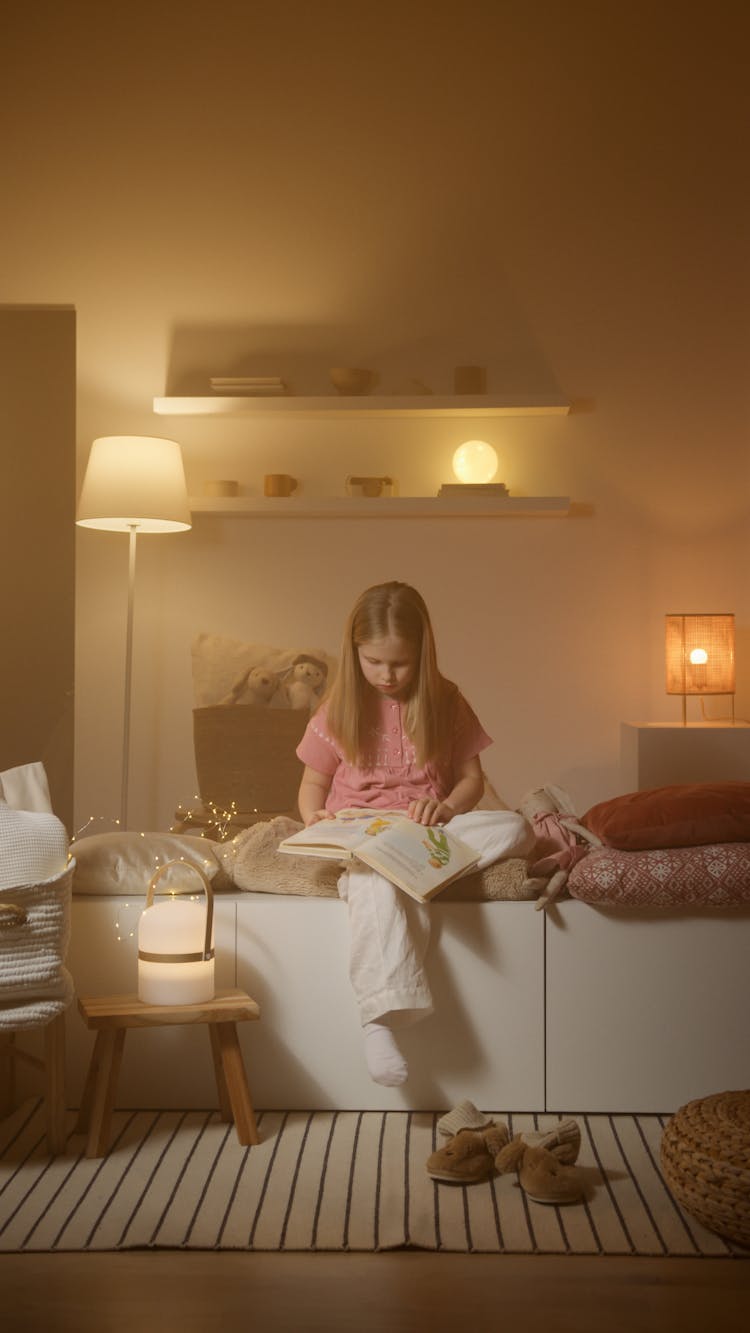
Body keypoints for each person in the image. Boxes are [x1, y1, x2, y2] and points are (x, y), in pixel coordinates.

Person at [295, 581, 534, 1087]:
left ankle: (424, 867)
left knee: (513, 827)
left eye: (399, 664)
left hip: (428, 834)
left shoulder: (446, 701)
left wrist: (445, 807)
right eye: (373, 661)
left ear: (422, 653)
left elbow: (472, 780)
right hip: (363, 843)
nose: (386, 675)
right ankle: (379, 1020)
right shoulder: (338, 708)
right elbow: (312, 785)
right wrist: (315, 817)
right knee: (372, 881)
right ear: (355, 652)